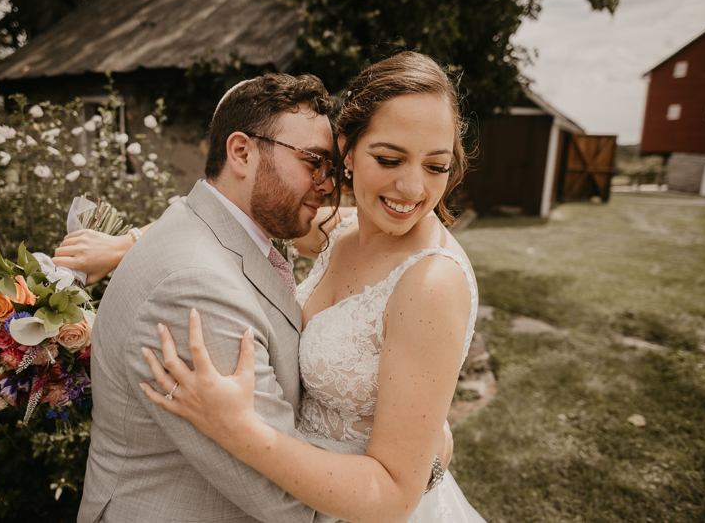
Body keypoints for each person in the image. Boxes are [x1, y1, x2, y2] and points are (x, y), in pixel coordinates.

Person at [74, 71, 453, 523]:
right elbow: (291, 505)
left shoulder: (209, 222)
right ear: (241, 152)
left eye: (331, 167)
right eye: (313, 161)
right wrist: (419, 465)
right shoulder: (196, 289)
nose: (328, 184)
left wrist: (408, 444)